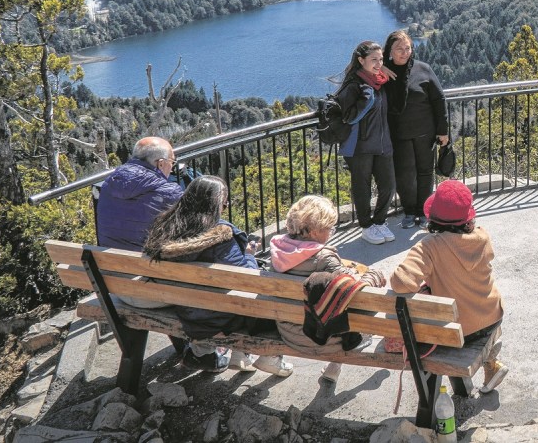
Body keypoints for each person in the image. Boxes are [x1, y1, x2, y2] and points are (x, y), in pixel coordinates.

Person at [143, 176, 293, 376]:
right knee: (267, 302)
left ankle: (229, 355)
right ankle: (269, 358)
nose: (225, 206)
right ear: (215, 205)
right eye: (224, 203)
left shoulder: (165, 228)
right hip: (217, 315)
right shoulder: (219, 238)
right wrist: (249, 255)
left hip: (183, 308)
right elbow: (245, 278)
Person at [389, 180, 508, 393]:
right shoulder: (482, 236)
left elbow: (400, 283)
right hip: (492, 316)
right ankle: (491, 363)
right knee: (477, 319)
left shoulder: (429, 247)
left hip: (458, 331)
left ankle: (437, 402)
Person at [268, 195, 387, 385]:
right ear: (315, 231)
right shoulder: (324, 259)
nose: (332, 232)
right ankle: (334, 365)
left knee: (328, 305)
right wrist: (374, 275)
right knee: (348, 308)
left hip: (288, 332)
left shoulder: (277, 250)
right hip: (322, 341)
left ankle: (334, 367)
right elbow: (359, 292)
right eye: (330, 228)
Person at [384, 30, 450, 230]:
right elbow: (357, 74)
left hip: (425, 133)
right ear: (390, 51)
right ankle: (409, 211)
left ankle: (424, 211)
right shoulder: (382, 74)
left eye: (408, 48)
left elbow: (439, 100)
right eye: (399, 49)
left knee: (425, 172)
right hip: (399, 135)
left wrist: (443, 130)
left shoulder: (423, 69)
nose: (405, 52)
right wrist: (380, 71)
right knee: (404, 175)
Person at [336, 40, 397, 245]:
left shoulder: (379, 81)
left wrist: (382, 69)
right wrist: (366, 98)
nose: (378, 63)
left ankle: (379, 221)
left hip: (382, 143)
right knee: (362, 187)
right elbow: (348, 117)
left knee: (388, 185)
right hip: (360, 146)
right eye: (374, 60)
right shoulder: (354, 85)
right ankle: (366, 226)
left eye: (380, 59)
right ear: (361, 60)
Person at [96, 136, 183, 252]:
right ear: (161, 164)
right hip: (150, 267)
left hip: (108, 265)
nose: (172, 167)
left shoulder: (108, 184)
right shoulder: (169, 192)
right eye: (172, 162)